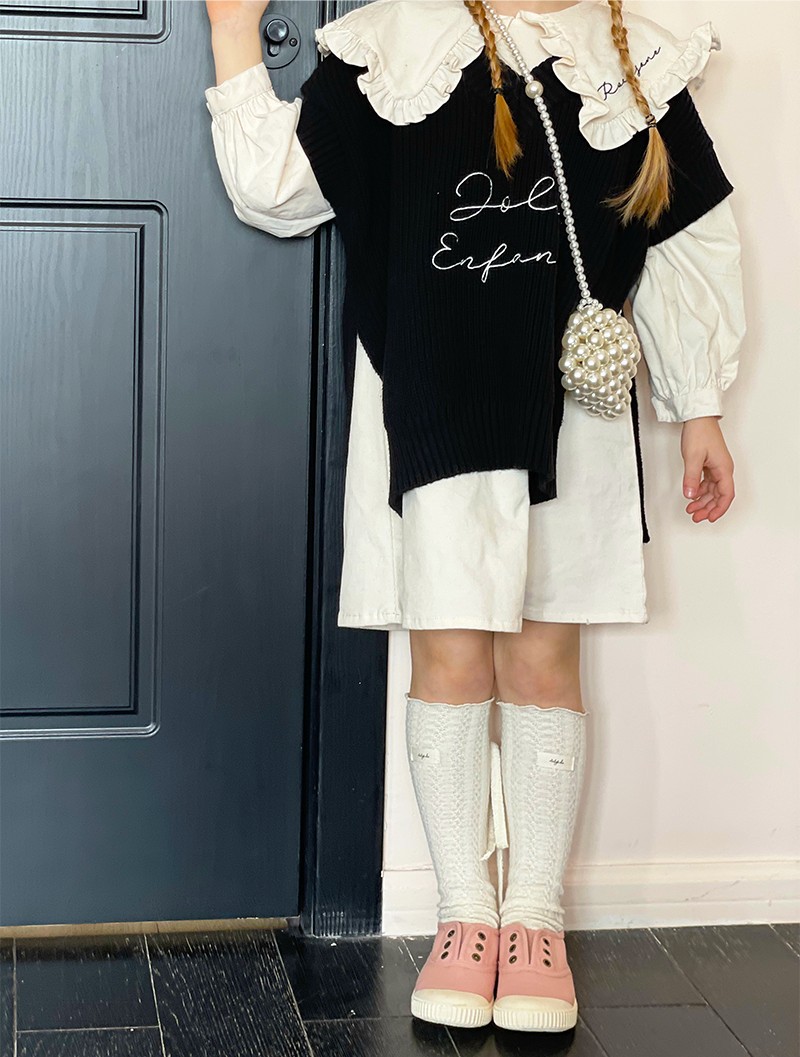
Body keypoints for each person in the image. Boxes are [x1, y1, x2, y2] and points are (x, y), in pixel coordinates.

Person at [204, 0, 746, 1034]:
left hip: (574, 413)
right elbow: (277, 189)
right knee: (447, 654)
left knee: (544, 658)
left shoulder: (629, 59)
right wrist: (233, 34)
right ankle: (465, 913)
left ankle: (532, 915)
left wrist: (700, 408)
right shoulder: (394, 45)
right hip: (430, 403)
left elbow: (686, 238)